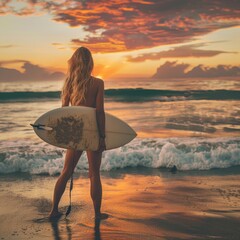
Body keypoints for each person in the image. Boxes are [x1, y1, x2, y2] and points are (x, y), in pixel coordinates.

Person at [48, 47, 108, 220]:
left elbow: (63, 113)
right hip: (92, 131)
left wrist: (66, 135)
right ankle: (97, 214)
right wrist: (102, 137)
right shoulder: (98, 83)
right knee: (94, 174)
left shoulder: (68, 83)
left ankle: (53, 210)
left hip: (75, 132)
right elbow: (99, 112)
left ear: (74, 62)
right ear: (90, 63)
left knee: (66, 171)